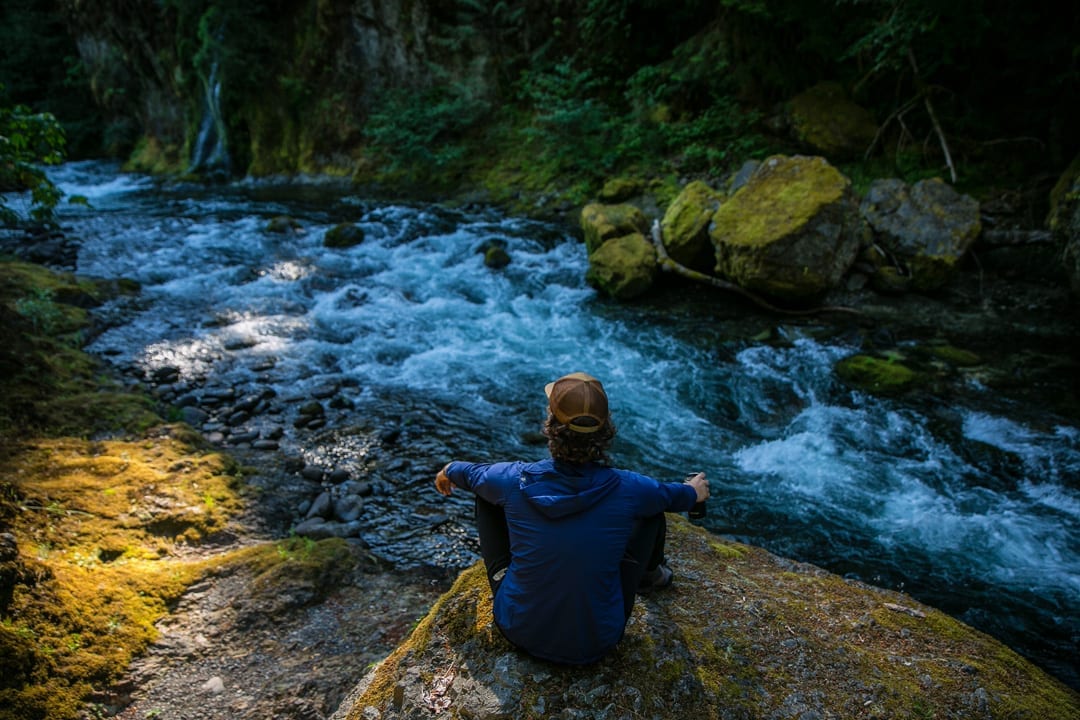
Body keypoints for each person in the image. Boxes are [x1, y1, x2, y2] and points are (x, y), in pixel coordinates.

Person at [434, 371, 709, 665]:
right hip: (598, 639)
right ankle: (651, 578)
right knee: (652, 510)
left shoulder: (514, 479)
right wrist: (694, 490)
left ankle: (509, 579)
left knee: (486, 495)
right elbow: (681, 496)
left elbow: (467, 473)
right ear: (606, 431)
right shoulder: (631, 488)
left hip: (518, 629)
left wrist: (448, 469)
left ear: (551, 427)